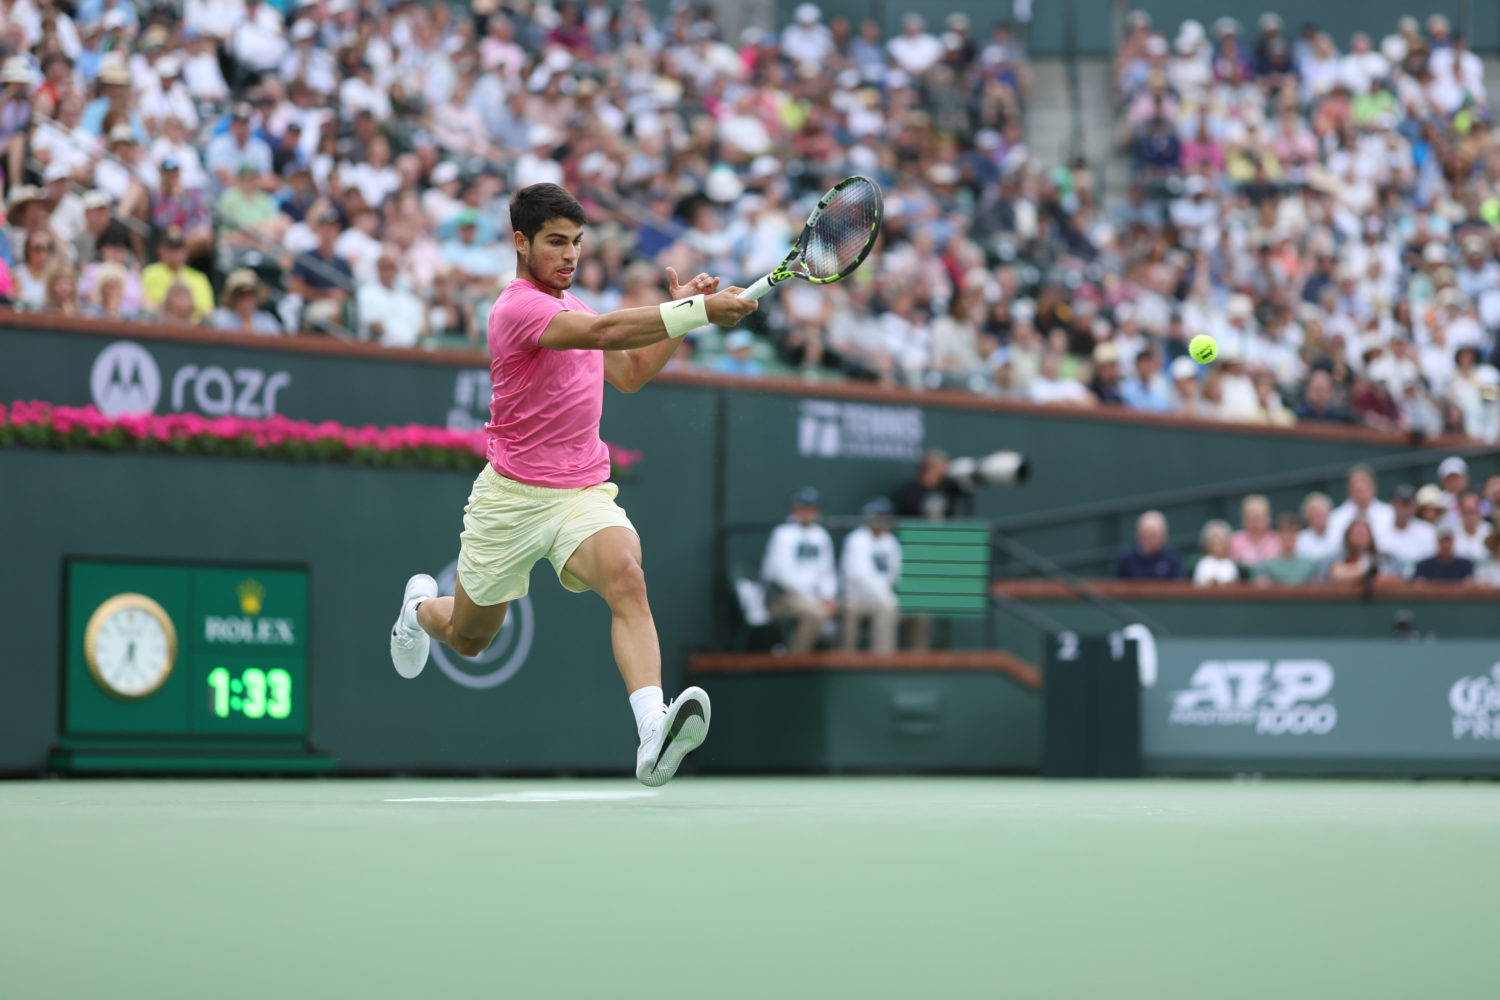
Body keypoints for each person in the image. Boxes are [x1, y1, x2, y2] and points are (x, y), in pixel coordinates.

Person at [387, 183, 756, 787]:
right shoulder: (517, 308)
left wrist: (682, 323)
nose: (570, 255)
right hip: (509, 500)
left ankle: (650, 733)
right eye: (556, 243)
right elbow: (610, 333)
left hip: (582, 492)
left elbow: (631, 373)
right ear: (520, 242)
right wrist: (697, 311)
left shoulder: (578, 309)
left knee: (627, 579)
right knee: (469, 638)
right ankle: (418, 609)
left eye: (577, 243)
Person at [761, 486, 839, 655]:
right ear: (794, 510)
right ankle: (795, 659)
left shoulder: (821, 535)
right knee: (816, 614)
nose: (808, 512)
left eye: (812, 508)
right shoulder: (782, 534)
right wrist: (814, 599)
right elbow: (783, 576)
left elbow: (828, 571)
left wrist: (828, 596)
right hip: (781, 597)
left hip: (813, 597)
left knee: (838, 610)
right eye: (803, 508)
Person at [840, 497, 901, 654]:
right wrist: (885, 597)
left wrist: (885, 597)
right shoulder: (856, 539)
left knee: (888, 608)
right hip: (855, 597)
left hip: (880, 597)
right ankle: (846, 658)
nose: (884, 521)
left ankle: (882, 658)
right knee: (852, 610)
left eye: (886, 517)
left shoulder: (890, 541)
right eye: (880, 517)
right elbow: (860, 577)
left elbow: (894, 573)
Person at [1375, 484, 1438, 578]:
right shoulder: (1378, 530)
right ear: (1393, 504)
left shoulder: (1427, 531)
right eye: (1401, 504)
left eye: (1408, 504)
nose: (1404, 509)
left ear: (1415, 507)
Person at [1326, 465, 1394, 543]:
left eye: (1364, 481)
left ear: (1374, 486)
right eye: (1355, 483)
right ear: (1348, 489)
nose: (1360, 486)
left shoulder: (1389, 513)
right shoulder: (1336, 518)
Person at [893, 450, 966, 520]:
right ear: (930, 467)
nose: (946, 469)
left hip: (944, 531)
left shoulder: (948, 487)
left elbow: (965, 489)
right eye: (942, 465)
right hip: (918, 530)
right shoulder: (909, 490)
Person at [1252, 514, 1322, 585]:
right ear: (1278, 533)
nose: (1289, 535)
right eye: (1285, 531)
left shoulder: (1310, 565)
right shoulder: (1265, 565)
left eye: (1294, 531)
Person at [1114, 510, 1182, 579]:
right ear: (1138, 535)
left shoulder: (1171, 558)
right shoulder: (1126, 558)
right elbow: (1115, 585)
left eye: (1154, 536)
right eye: (1147, 535)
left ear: (1164, 536)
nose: (1151, 540)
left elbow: (1180, 585)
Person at [1322, 520, 1395, 585]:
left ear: (1370, 537)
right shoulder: (1335, 558)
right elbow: (1335, 575)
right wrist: (1365, 570)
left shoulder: (1382, 558)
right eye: (1357, 533)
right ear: (1348, 536)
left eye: (1363, 533)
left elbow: (1389, 578)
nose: (1360, 537)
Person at [1228, 493, 1280, 566]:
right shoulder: (1235, 541)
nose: (1255, 520)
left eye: (1259, 515)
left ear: (1268, 517)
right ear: (1244, 518)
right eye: (1251, 515)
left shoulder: (1278, 539)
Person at [1448, 491, 1492, 563]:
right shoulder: (1451, 533)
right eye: (1465, 512)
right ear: (1460, 512)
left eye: (1472, 512)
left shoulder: (1490, 531)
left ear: (1479, 512)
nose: (1469, 517)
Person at [1193, 519, 1240, 587]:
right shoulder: (1203, 563)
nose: (1217, 546)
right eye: (1214, 542)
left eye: (1220, 542)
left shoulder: (1230, 564)